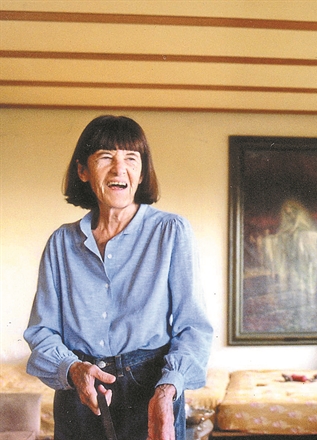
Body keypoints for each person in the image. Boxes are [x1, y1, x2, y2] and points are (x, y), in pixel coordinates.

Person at [24, 115, 213, 440]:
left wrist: (168, 390)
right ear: (83, 171)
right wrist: (72, 369)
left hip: (152, 390)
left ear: (142, 173)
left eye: (131, 158)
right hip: (79, 388)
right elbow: (42, 332)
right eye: (105, 157)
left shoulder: (171, 232)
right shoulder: (61, 243)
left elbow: (193, 328)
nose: (119, 169)